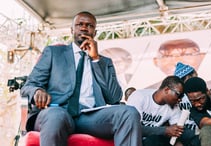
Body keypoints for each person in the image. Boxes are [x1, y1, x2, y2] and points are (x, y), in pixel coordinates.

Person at [20, 11, 142, 146]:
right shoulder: (54, 53)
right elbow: (28, 86)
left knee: (129, 113)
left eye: (89, 25)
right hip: (57, 111)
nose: (84, 28)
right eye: (80, 24)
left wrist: (96, 60)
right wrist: (37, 91)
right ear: (72, 30)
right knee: (56, 116)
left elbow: (114, 98)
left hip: (89, 117)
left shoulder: (104, 62)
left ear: (95, 33)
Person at [127, 75, 189, 146]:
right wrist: (165, 130)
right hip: (132, 141)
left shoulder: (174, 106)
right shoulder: (139, 97)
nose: (180, 99)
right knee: (154, 140)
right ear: (166, 90)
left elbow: (176, 133)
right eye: (178, 95)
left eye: (182, 96)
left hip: (153, 141)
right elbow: (132, 128)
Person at [184, 77, 211, 146]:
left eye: (200, 99)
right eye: (192, 101)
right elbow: (204, 123)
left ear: (207, 91)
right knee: (206, 131)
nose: (197, 104)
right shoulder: (193, 110)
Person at [174, 62, 201, 146]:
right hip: (185, 132)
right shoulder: (196, 94)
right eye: (195, 76)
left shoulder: (175, 96)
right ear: (188, 77)